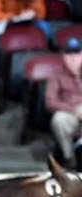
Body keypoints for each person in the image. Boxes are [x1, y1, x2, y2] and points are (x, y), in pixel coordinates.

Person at [0, 0, 49, 83]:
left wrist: (33, 3)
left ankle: (41, 67)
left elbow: (41, 14)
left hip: (24, 21)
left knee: (43, 26)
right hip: (0, 20)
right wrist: (12, 17)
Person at [47, 37, 82, 169]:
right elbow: (50, 101)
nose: (73, 58)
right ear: (63, 57)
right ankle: (70, 159)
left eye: (77, 54)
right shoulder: (57, 76)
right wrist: (74, 110)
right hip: (70, 114)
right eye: (69, 54)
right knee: (58, 119)